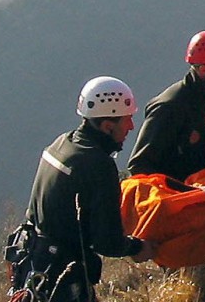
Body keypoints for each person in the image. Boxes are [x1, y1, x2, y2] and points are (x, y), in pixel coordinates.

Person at [19, 76, 155, 301]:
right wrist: (138, 247)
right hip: (63, 274)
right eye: (127, 120)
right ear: (107, 126)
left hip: (33, 259)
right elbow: (107, 242)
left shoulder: (61, 143)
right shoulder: (98, 164)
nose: (131, 126)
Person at [126, 30, 205, 180]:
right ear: (204, 69)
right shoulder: (170, 106)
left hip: (192, 192)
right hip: (171, 197)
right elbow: (140, 165)